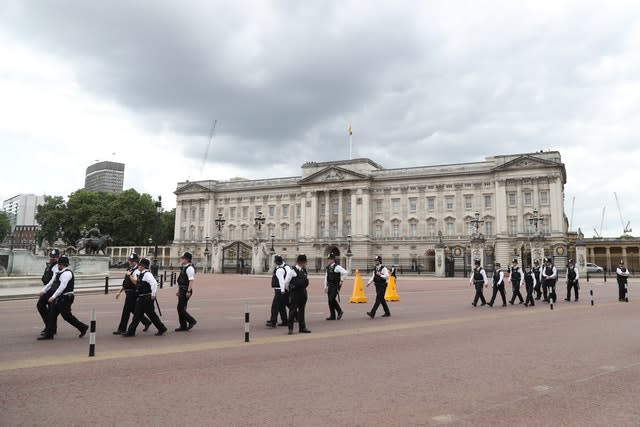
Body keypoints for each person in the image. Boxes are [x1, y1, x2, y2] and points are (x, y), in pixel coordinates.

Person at [38, 257, 88, 340]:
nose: (59, 265)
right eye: (59, 264)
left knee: (66, 316)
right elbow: (51, 283)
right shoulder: (58, 272)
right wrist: (43, 291)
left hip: (66, 297)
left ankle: (82, 327)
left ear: (65, 265)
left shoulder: (67, 274)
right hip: (60, 297)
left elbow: (62, 287)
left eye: (61, 264)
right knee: (52, 314)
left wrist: (53, 297)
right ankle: (50, 334)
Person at [123, 258, 167, 337]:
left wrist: (153, 294)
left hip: (146, 298)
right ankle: (131, 331)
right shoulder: (142, 274)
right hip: (142, 298)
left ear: (143, 266)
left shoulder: (147, 274)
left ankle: (161, 328)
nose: (138, 266)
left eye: (139, 265)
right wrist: (130, 276)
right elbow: (137, 283)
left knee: (150, 315)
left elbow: (154, 283)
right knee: (138, 315)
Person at [113, 253, 151, 334]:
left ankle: (122, 329)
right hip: (128, 292)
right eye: (130, 260)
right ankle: (146, 321)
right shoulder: (129, 269)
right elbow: (125, 282)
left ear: (136, 261)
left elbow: (136, 283)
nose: (130, 262)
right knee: (134, 310)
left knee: (126, 311)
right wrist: (119, 292)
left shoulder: (137, 270)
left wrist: (130, 276)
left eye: (132, 261)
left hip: (133, 293)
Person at [37, 249, 60, 336]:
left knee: (52, 311)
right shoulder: (49, 265)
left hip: (53, 291)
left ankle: (50, 328)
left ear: (58, 257)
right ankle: (50, 326)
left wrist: (44, 290)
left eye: (54, 257)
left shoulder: (57, 267)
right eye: (51, 256)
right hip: (47, 290)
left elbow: (53, 281)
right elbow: (45, 277)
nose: (52, 258)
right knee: (40, 306)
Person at [287, 254, 311, 335]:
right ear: (302, 262)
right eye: (305, 262)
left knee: (302, 310)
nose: (305, 264)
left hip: (303, 292)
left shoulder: (304, 270)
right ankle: (290, 328)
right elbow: (286, 282)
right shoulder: (292, 271)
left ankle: (302, 327)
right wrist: (289, 290)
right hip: (295, 292)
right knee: (293, 310)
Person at [266, 255, 291, 328]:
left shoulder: (279, 270)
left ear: (276, 262)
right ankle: (285, 321)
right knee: (281, 306)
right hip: (281, 289)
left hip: (279, 290)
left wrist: (282, 290)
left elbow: (281, 281)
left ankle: (273, 321)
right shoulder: (281, 268)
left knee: (275, 306)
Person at [175, 252, 197, 331]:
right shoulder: (184, 267)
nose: (182, 259)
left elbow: (191, 281)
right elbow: (181, 280)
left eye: (183, 258)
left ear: (187, 259)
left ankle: (191, 321)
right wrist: (178, 290)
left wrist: (188, 291)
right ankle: (183, 325)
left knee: (180, 308)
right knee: (181, 308)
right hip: (182, 289)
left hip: (185, 290)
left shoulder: (189, 268)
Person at [325, 253, 347, 320]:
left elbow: (345, 272)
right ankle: (332, 315)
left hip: (335, 286)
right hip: (330, 285)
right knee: (329, 301)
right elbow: (326, 277)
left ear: (333, 260)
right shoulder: (328, 267)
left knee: (332, 299)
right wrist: (325, 286)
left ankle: (339, 311)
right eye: (328, 259)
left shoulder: (337, 267)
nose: (328, 260)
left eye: (329, 259)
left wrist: (342, 280)